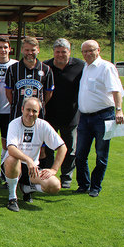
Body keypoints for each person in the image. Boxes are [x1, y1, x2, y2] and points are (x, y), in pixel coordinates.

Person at [75, 40, 124, 197]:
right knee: (80, 154)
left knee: (101, 154)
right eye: (85, 51)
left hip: (103, 116)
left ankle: (95, 186)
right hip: (84, 118)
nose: (88, 53)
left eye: (91, 50)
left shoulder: (106, 67)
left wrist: (119, 110)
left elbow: (116, 91)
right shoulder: (85, 67)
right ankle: (83, 184)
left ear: (98, 50)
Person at [2, 97, 67, 212]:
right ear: (22, 109)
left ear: (39, 112)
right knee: (13, 159)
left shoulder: (43, 125)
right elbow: (11, 148)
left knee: (55, 185)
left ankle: (27, 188)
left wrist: (54, 170)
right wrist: (28, 160)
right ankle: (12, 198)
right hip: (13, 165)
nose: (31, 114)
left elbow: (62, 147)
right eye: (28, 110)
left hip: (32, 169)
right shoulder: (14, 124)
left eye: (35, 111)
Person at [42, 38, 84, 189]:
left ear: (69, 52)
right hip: (49, 115)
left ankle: (66, 176)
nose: (60, 55)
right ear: (53, 52)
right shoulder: (45, 66)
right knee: (48, 148)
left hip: (71, 115)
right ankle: (45, 175)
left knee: (70, 148)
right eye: (57, 52)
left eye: (63, 52)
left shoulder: (80, 66)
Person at [5, 36, 54, 120]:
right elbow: (8, 92)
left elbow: (48, 92)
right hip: (18, 112)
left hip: (38, 114)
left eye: (33, 50)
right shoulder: (13, 69)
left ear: (38, 50)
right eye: (27, 50)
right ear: (22, 50)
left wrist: (40, 103)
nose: (30, 53)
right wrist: (16, 103)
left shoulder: (46, 69)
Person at [0, 36, 18, 185]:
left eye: (5, 47)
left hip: (10, 112)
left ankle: (4, 173)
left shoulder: (16, 65)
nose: (3, 50)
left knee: (7, 144)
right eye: (0, 47)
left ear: (10, 49)